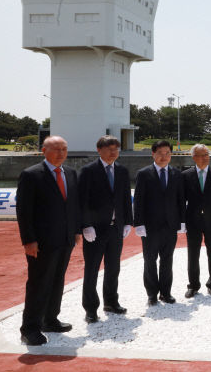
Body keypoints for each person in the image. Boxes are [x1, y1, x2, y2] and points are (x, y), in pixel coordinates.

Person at [16, 135, 81, 345]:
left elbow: (73, 205)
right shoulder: (31, 175)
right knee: (38, 283)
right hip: (41, 242)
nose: (61, 153)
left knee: (57, 280)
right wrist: (29, 240)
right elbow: (24, 211)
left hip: (65, 238)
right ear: (43, 151)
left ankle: (50, 319)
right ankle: (29, 328)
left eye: (64, 149)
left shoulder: (70, 173)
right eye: (56, 149)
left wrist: (76, 230)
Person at [79, 135, 133, 323]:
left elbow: (126, 198)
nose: (113, 152)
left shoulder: (122, 171)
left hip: (115, 228)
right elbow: (82, 201)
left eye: (116, 149)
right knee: (92, 269)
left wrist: (127, 222)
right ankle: (90, 308)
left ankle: (111, 302)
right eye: (110, 149)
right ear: (99, 150)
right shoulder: (88, 171)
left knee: (113, 268)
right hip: (95, 229)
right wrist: (86, 225)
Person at [133, 140, 186, 305]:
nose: (164, 157)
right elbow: (139, 201)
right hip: (150, 227)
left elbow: (180, 200)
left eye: (167, 153)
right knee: (150, 260)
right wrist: (138, 223)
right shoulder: (143, 174)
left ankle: (166, 292)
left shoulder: (177, 174)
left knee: (167, 260)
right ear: (153, 154)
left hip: (170, 226)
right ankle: (151, 294)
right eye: (160, 153)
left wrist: (182, 222)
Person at [183, 144, 211, 298]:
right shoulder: (186, 175)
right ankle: (193, 285)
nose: (204, 158)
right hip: (192, 220)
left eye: (206, 154)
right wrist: (182, 221)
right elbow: (181, 201)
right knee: (193, 254)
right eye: (200, 155)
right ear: (194, 157)